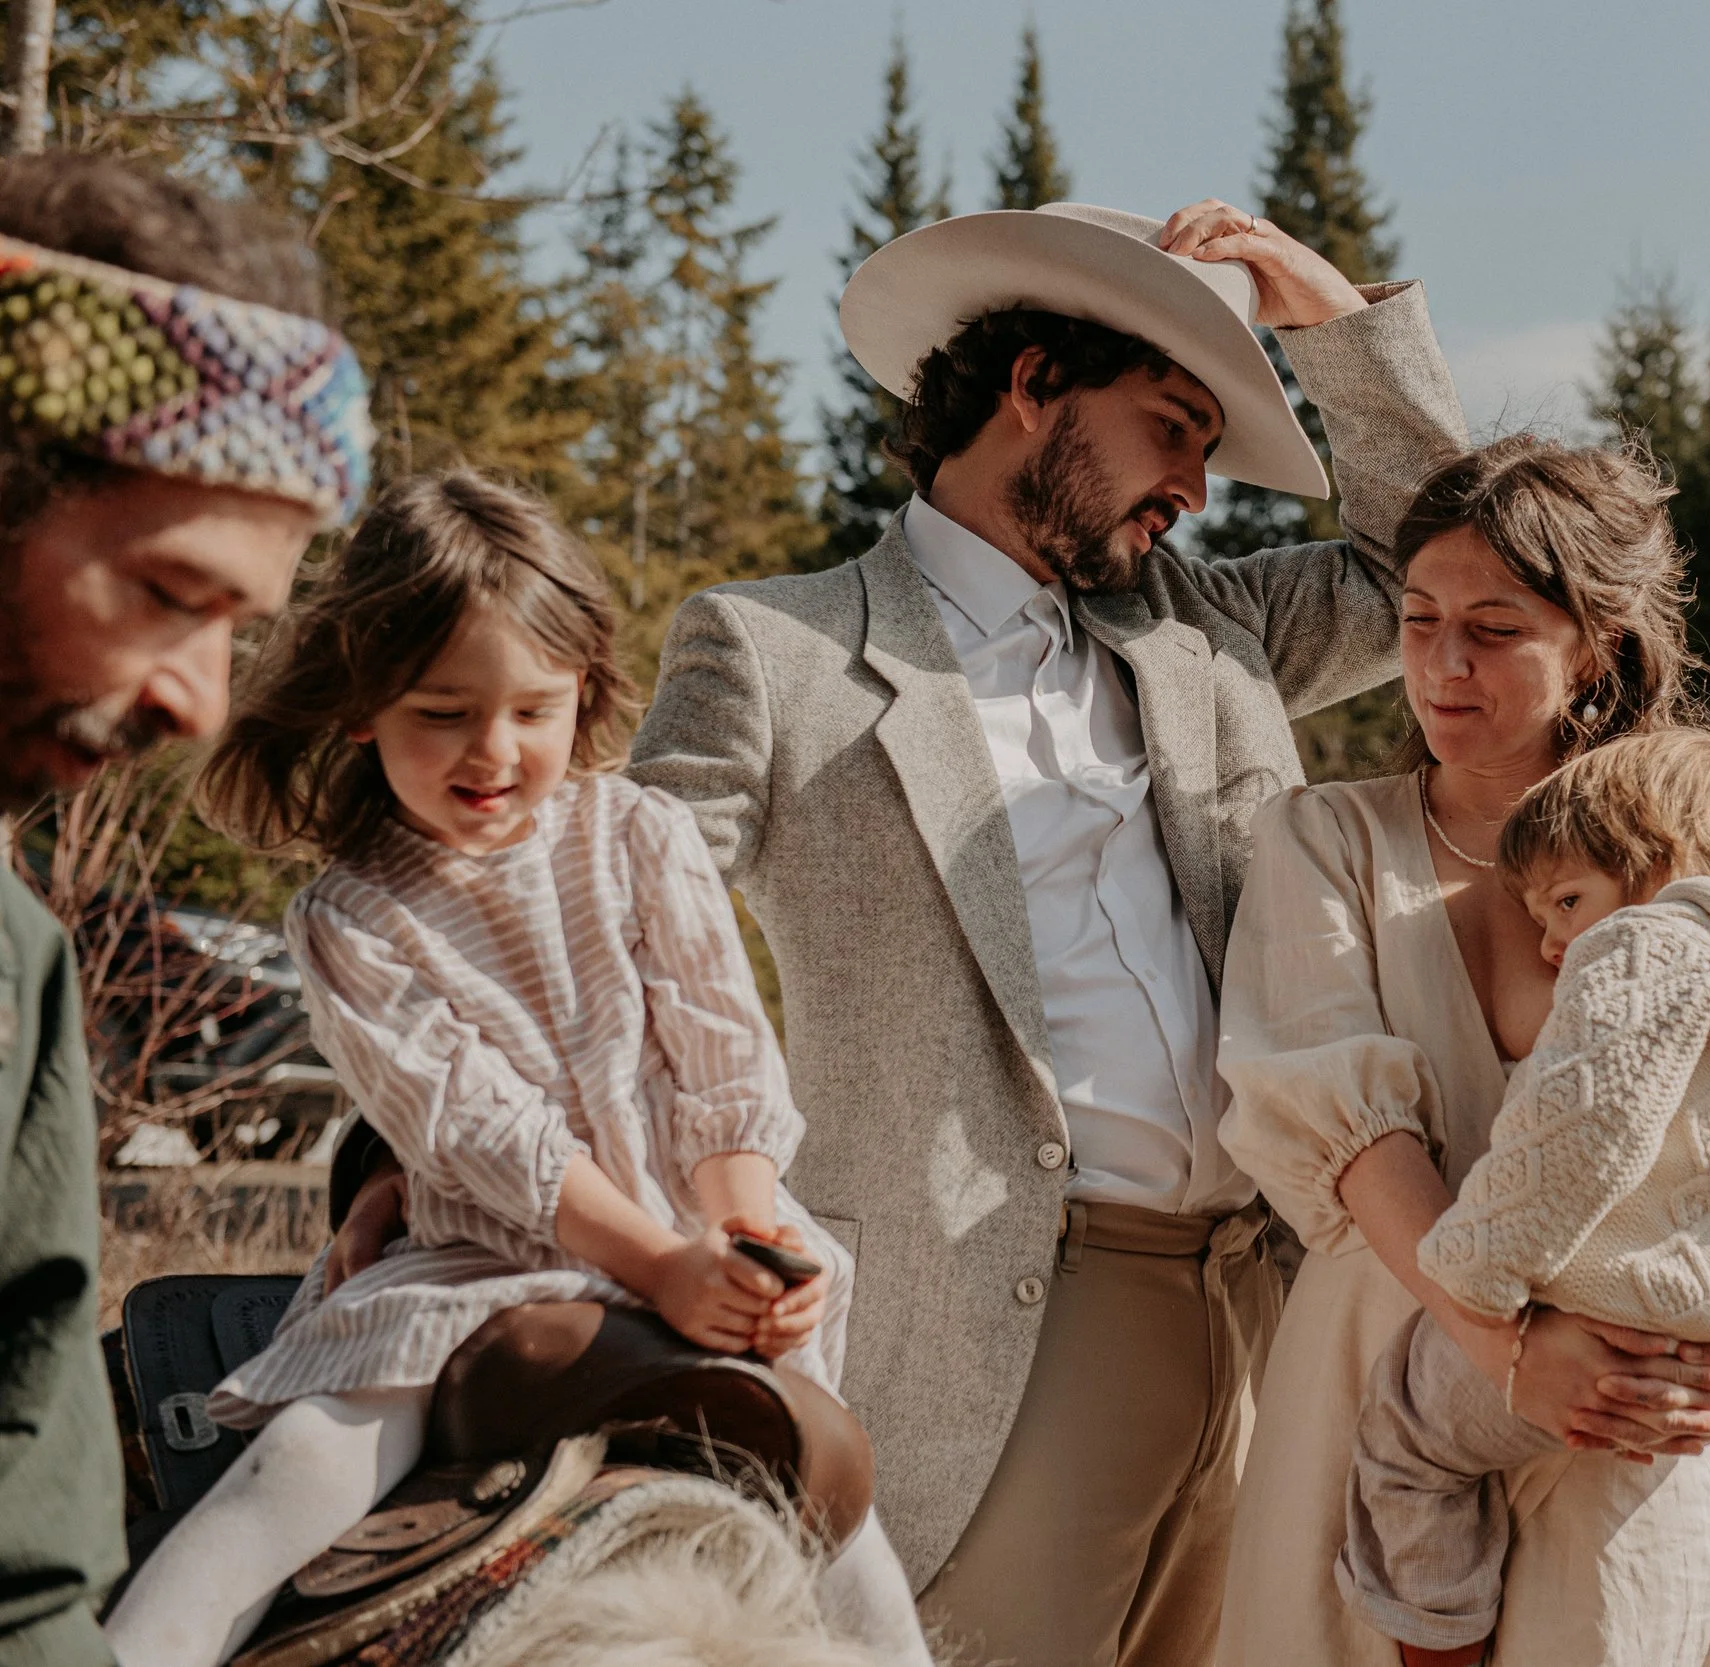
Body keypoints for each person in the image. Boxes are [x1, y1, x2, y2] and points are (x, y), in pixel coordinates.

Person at [325, 196, 1515, 1667]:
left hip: (1265, 1298)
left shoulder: (1212, 630)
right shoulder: (775, 649)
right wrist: (403, 1149)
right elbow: (589, 920)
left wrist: (1337, 317)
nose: (1197, 489)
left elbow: (1428, 564)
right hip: (992, 1315)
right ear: (1034, 387)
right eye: (1172, 428)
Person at [104, 471, 868, 1667]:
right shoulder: (350, 915)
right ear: (362, 706)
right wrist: (660, 1265)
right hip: (487, 1255)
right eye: (443, 710)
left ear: (584, 695)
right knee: (298, 1469)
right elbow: (482, 1134)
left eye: (533, 709)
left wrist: (747, 1239)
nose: (493, 750)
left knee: (844, 1524)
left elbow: (723, 1054)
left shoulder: (641, 834)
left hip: (696, 1225)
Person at [1215, 434, 1710, 1666]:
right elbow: (1346, 1136)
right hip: (1379, 1375)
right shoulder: (1327, 838)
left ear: (1596, 643)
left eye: (1493, 629)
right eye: (1418, 619)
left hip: (1636, 1409)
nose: (1441, 664)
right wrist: (1503, 1349)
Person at [1335, 723, 1710, 1666]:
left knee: (1408, 1437)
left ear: (1655, 863)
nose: (1552, 943)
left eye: (1566, 901)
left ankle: (1440, 1642)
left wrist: (1478, 1276)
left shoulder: (1640, 944)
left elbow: (1581, 1129)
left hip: (1603, 1313)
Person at [0, 154, 369, 1667]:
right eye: (168, 593)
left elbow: (28, 1575)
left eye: (239, 630)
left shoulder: (16, 961)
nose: (201, 703)